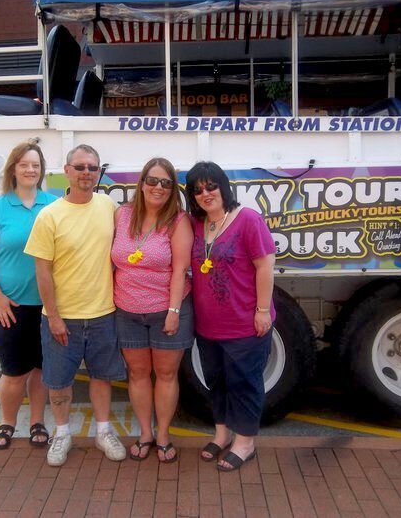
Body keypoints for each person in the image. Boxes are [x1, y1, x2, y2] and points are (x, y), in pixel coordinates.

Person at [24, 144, 127, 467]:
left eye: (93, 168)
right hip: (62, 317)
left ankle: (103, 431)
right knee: (58, 382)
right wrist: (53, 316)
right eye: (80, 167)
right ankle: (63, 433)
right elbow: (42, 271)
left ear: (99, 173)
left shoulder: (107, 205)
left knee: (101, 377)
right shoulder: (49, 215)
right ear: (66, 171)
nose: (86, 173)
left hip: (103, 313)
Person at [185, 161, 276, 472]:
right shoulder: (197, 225)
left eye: (210, 186)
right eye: (197, 190)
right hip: (208, 326)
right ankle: (222, 433)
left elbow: (265, 266)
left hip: (244, 323)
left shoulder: (248, 219)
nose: (205, 193)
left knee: (245, 383)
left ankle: (245, 441)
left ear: (223, 186)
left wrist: (262, 311)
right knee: (217, 382)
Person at [0, 141, 58, 450]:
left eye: (35, 165)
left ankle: (37, 421)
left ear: (41, 170)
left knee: (39, 368)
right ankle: (7, 422)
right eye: (24, 164)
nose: (30, 170)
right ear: (13, 169)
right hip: (7, 305)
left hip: (45, 305)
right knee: (13, 371)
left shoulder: (52, 204)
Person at [111, 157, 194, 463]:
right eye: (152, 180)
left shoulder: (178, 220)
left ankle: (163, 436)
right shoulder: (122, 214)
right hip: (126, 310)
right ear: (142, 183)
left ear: (173, 189)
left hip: (165, 309)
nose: (158, 187)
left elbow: (180, 269)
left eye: (166, 183)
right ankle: (146, 432)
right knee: (138, 373)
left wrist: (173, 310)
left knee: (167, 373)